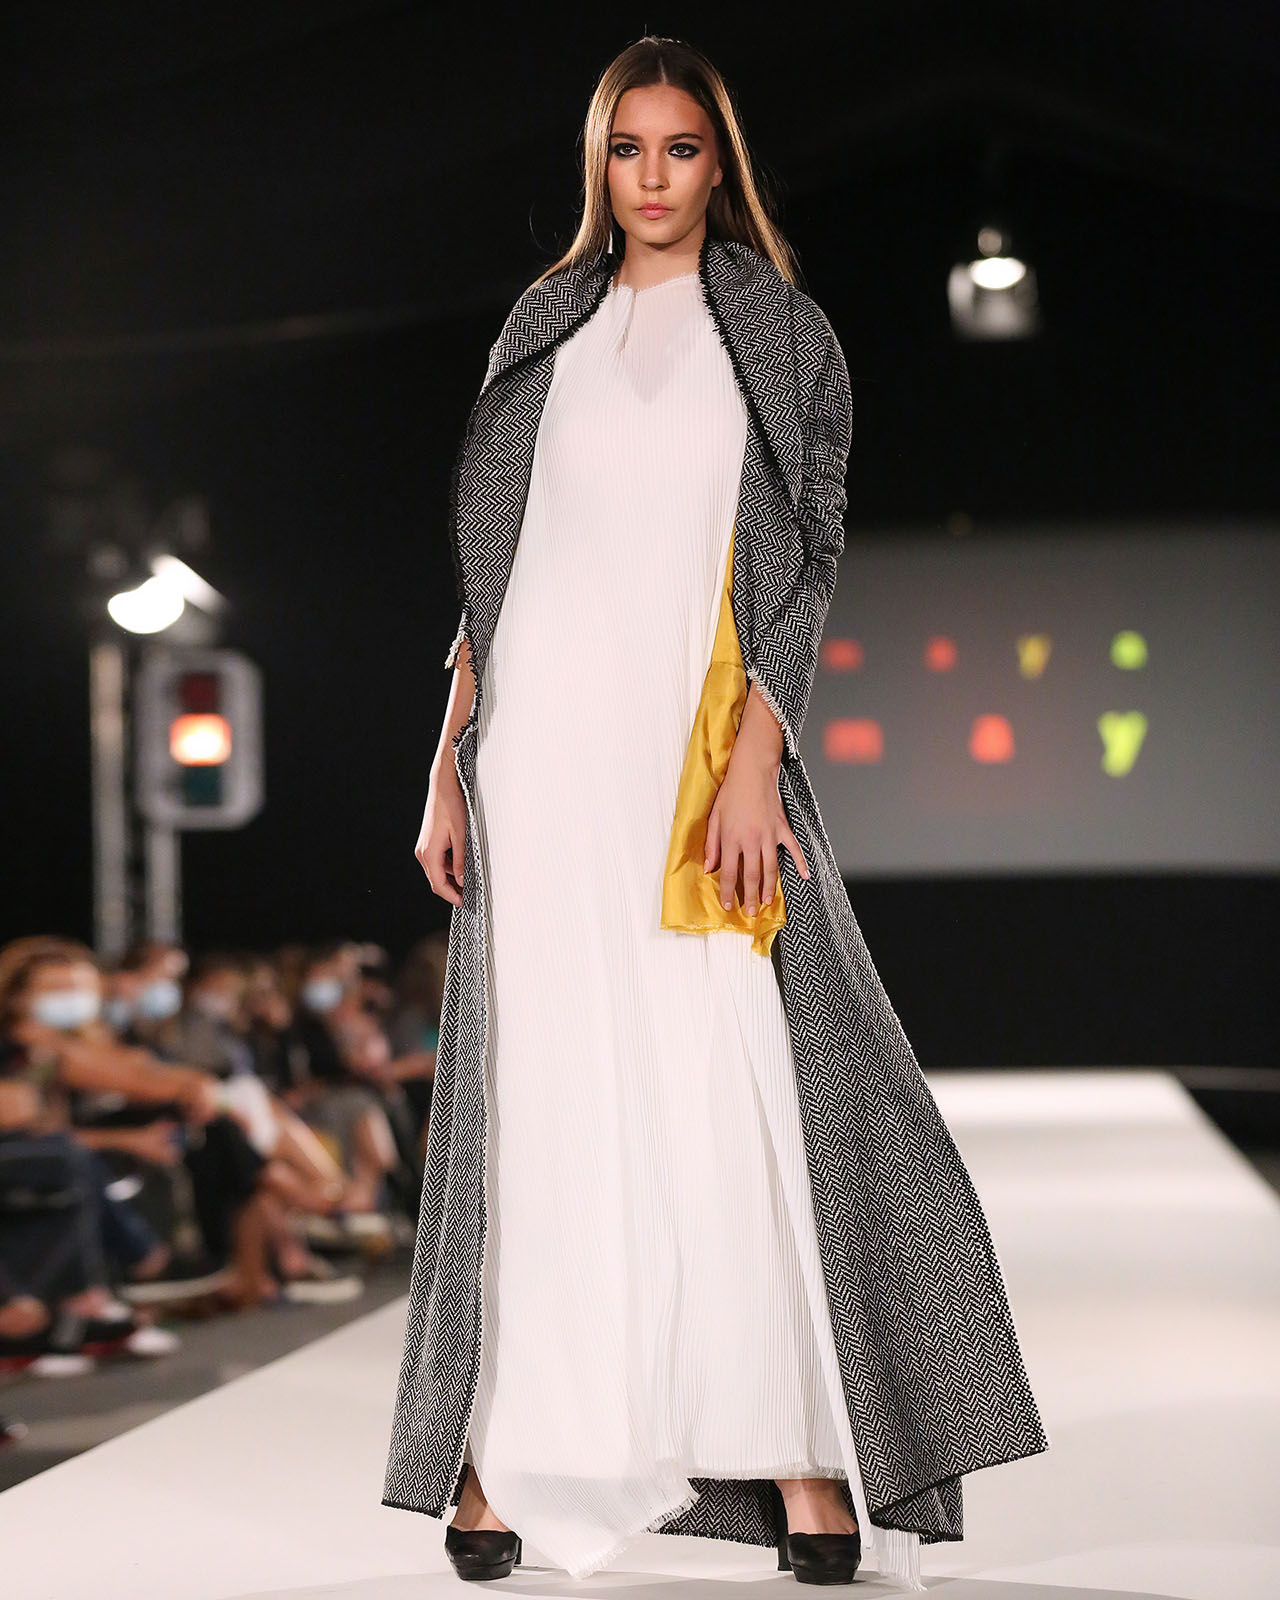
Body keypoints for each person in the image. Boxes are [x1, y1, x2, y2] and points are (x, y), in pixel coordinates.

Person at [383, 35, 1047, 1593]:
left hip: (688, 758)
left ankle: (795, 1448)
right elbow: (494, 567)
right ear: (597, 163)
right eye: (629, 150)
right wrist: (447, 756)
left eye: (681, 149)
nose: (654, 177)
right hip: (540, 753)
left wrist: (760, 754)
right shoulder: (543, 324)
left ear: (719, 162)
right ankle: (503, 1452)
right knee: (546, 1102)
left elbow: (809, 554)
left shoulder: (781, 329)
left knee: (731, 1083)